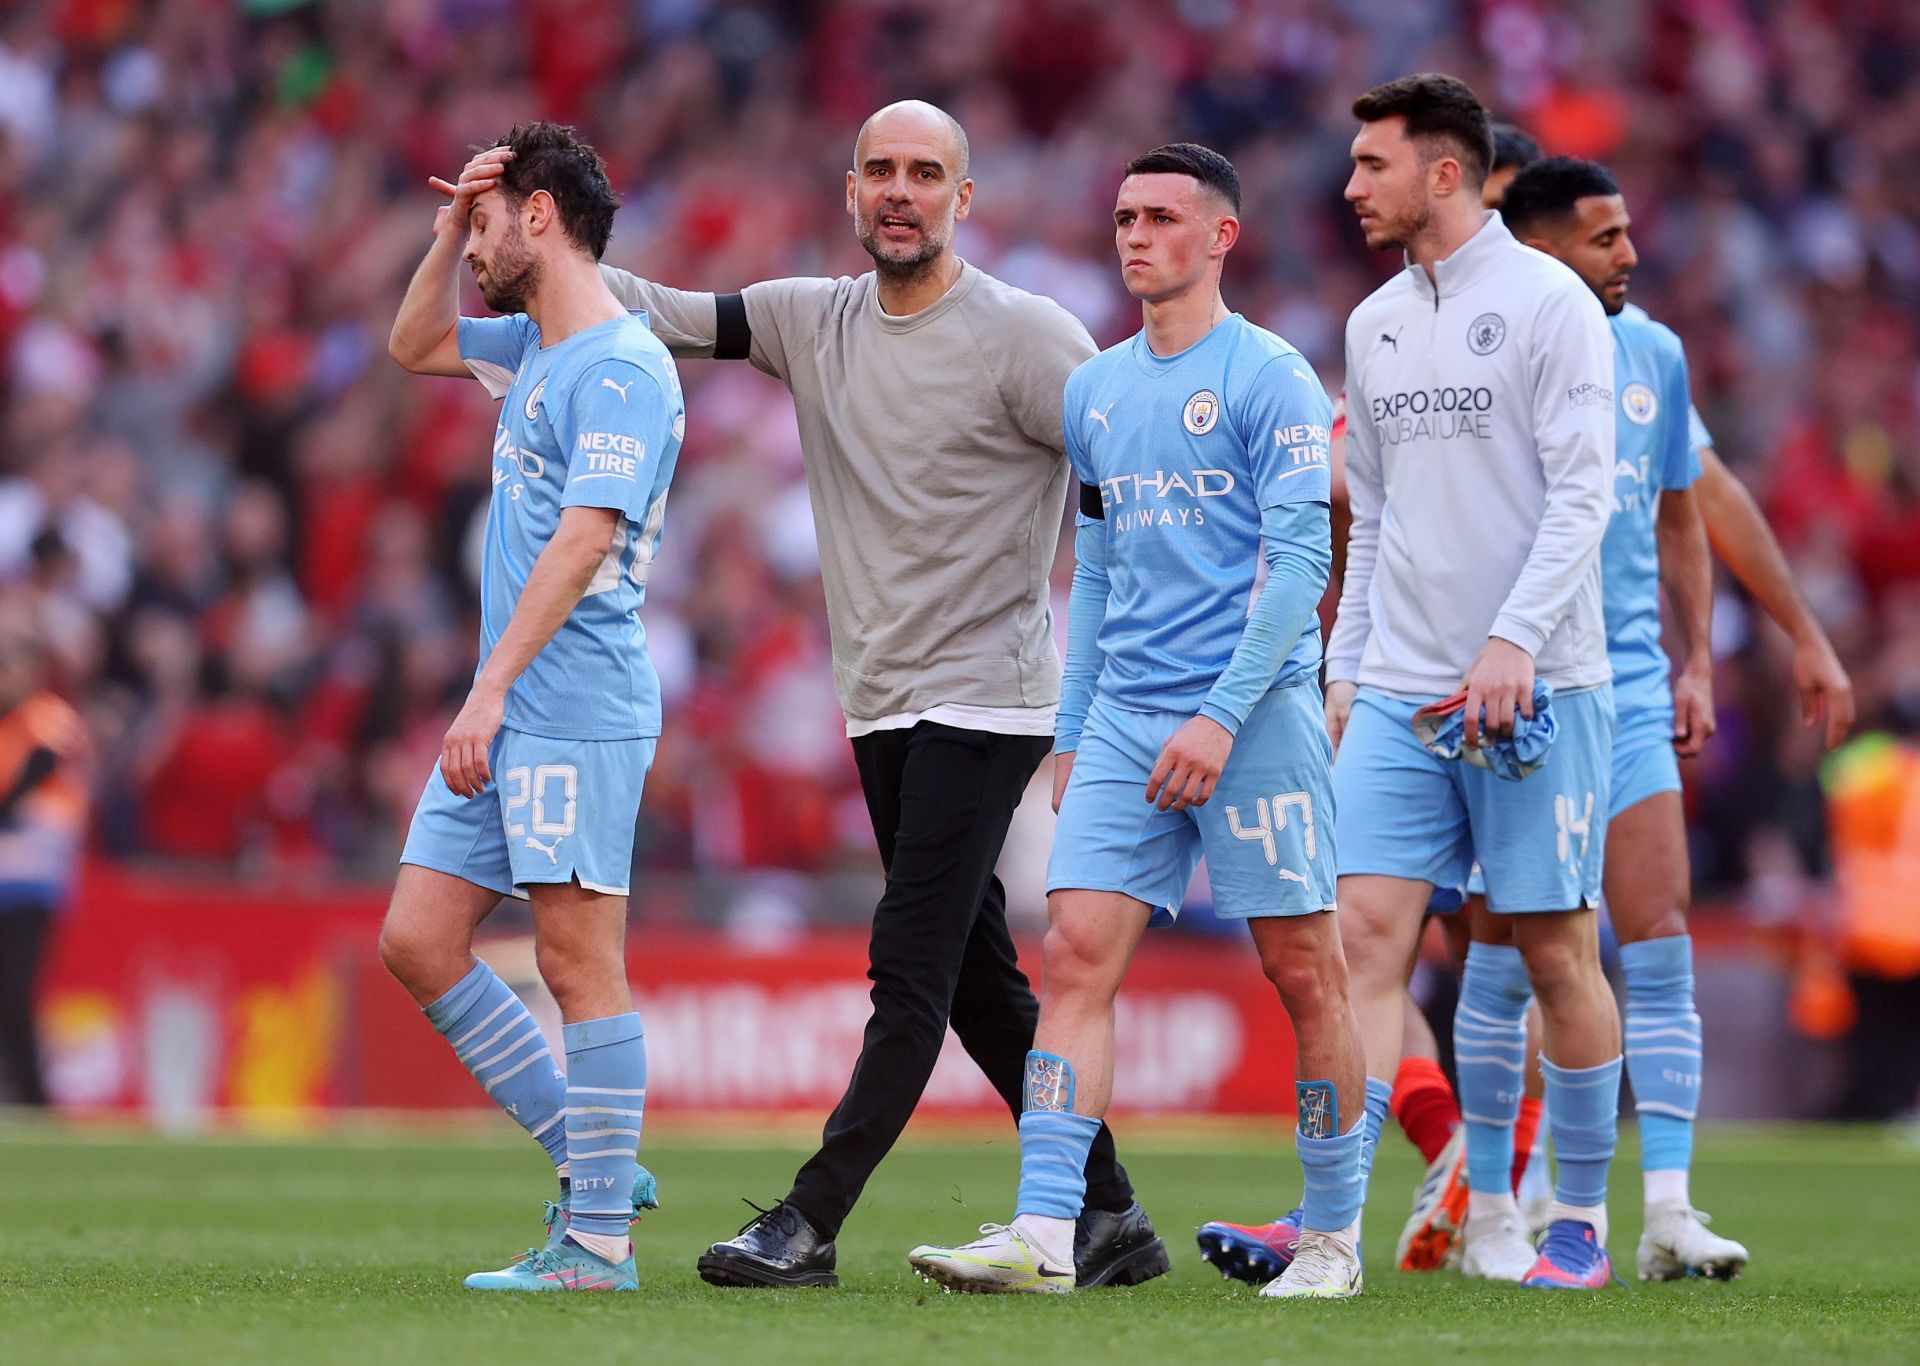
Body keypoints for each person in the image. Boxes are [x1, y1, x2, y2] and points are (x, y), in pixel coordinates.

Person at [452, 99, 1166, 1290]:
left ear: (963, 200)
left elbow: (1128, 471)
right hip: (881, 700)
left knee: (911, 970)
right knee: (983, 984)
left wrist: (1112, 672)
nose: (900, 190)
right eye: (879, 169)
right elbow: (650, 312)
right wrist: (517, 223)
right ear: (849, 193)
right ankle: (1110, 1216)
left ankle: (810, 1217)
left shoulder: (1032, 336)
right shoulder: (808, 318)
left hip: (989, 700)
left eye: (925, 173)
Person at [905, 143, 1365, 1300]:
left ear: (1221, 237)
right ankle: (1047, 1235)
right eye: (1123, 216)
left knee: (1304, 968)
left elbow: (1301, 562)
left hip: (1251, 717)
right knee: (1072, 955)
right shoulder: (1096, 389)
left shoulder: (1271, 378)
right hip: (1122, 720)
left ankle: (1331, 1240)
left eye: (1163, 216)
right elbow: (1097, 571)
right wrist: (1073, 727)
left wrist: (1218, 716)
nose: (1135, 234)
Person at [1331, 72, 1625, 1290]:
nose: (1352, 187)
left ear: (1442, 174)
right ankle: (1330, 1227)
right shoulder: (1374, 322)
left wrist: (1512, 637)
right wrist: (1346, 675)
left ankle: (1583, 1223)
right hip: (1401, 692)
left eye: (1373, 166)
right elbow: (1380, 519)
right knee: (1357, 944)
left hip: (1539, 683)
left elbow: (1584, 494)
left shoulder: (1552, 303)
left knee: (1556, 949)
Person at [381, 121, 678, 1293]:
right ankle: (592, 1155)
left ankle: (598, 1244)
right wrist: (451, 218)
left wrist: (487, 689)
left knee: (575, 958)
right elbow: (411, 344)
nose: (474, 246)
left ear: (542, 215)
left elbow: (585, 536)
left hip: (573, 702)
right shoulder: (532, 350)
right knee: (417, 937)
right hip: (512, 706)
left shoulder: (617, 365)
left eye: (492, 219)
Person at [0, 611, 88, 1108]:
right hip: (7, 878)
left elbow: (30, 777)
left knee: (15, 992)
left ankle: (33, 1101)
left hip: (31, 879)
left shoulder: (44, 716)